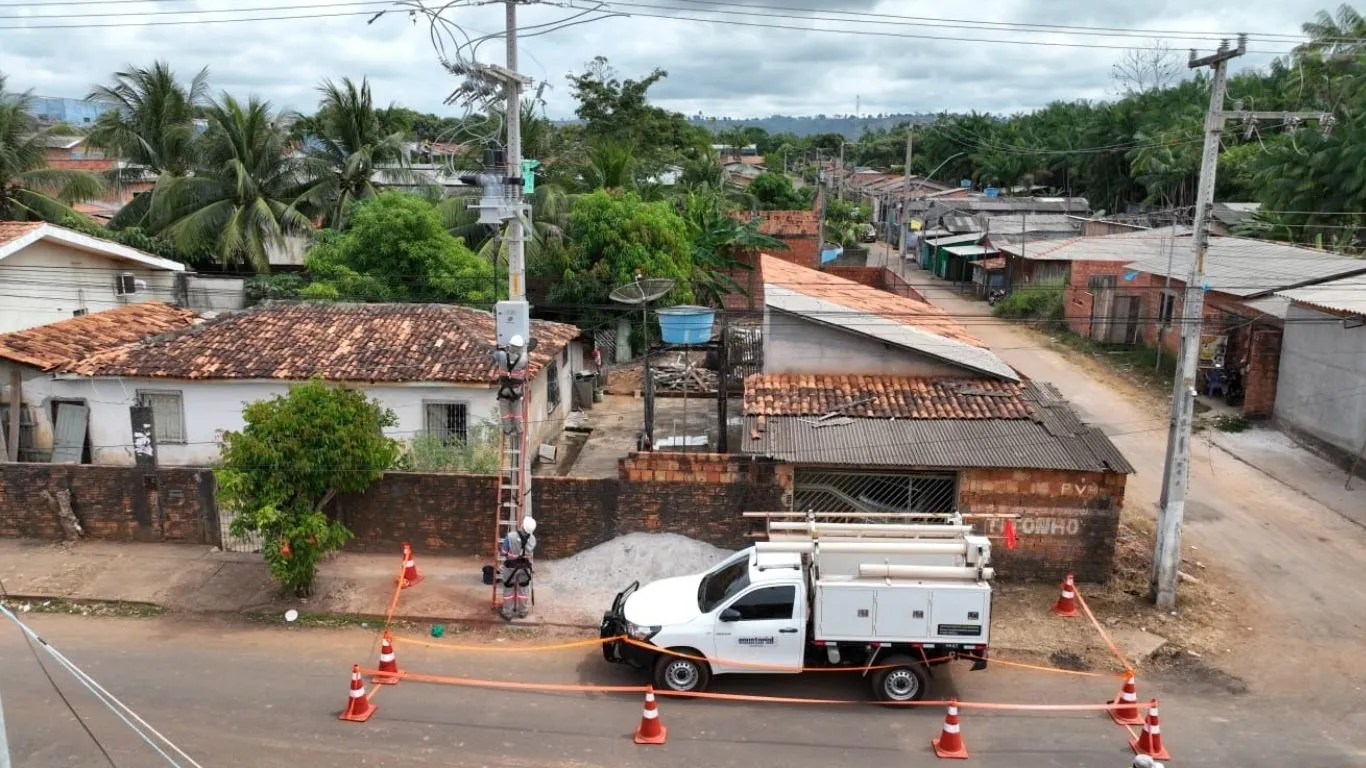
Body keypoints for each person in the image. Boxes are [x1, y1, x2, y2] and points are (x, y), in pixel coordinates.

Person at [499, 516, 537, 620]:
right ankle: (523, 612)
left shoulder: (510, 536)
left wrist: (509, 552)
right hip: (525, 568)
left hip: (510, 568)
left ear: (522, 525)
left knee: (508, 590)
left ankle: (507, 613)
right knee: (523, 590)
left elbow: (503, 552)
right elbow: (529, 552)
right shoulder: (533, 539)